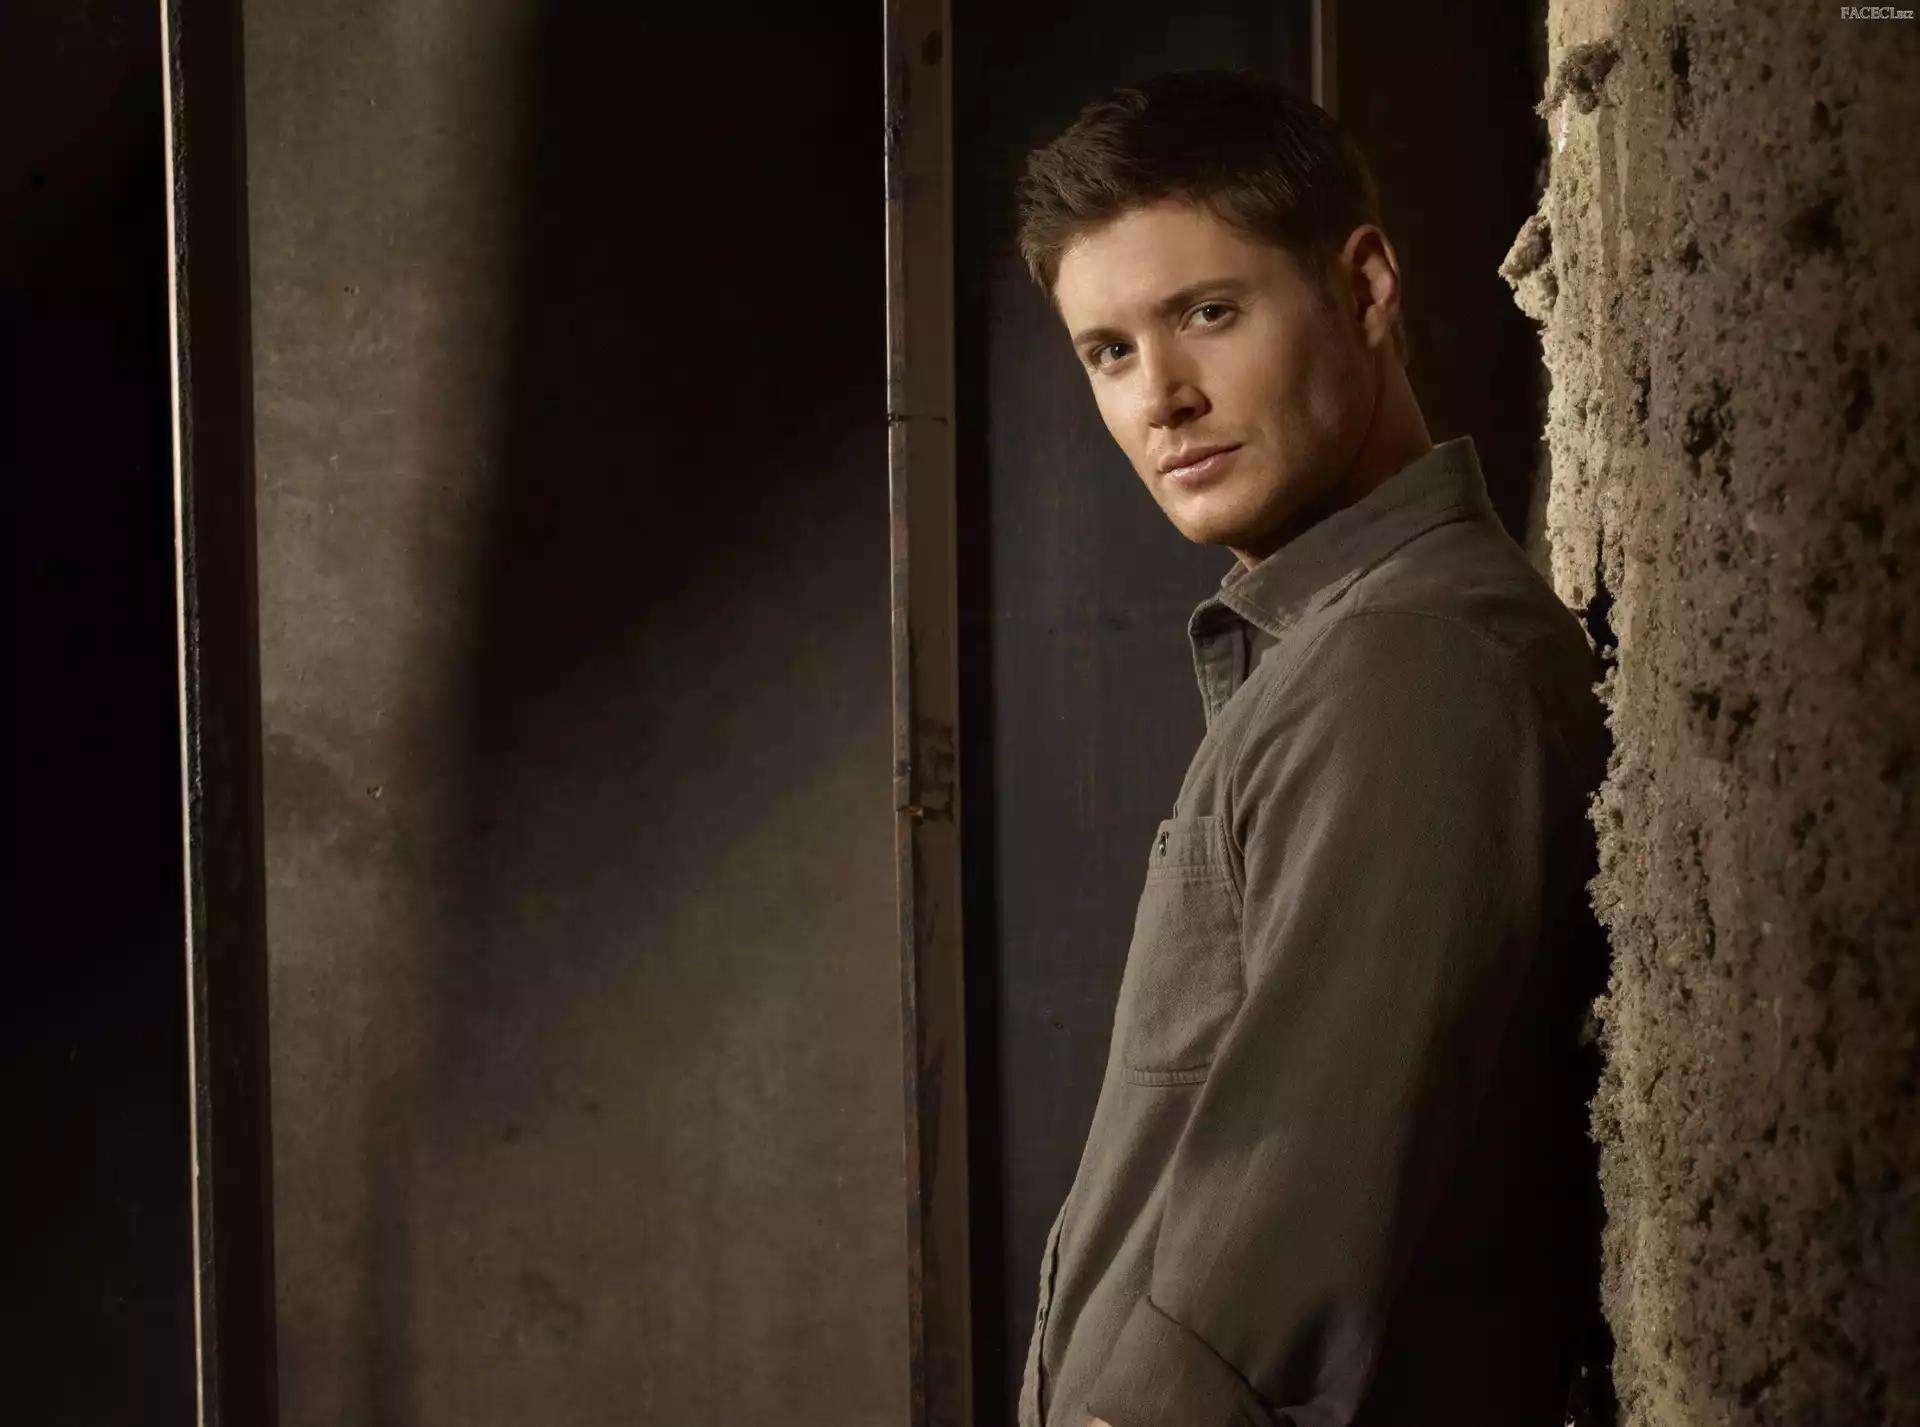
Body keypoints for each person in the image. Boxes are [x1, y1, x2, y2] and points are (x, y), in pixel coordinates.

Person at [1010, 70, 1616, 1427]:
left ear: (1365, 289)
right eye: (1108, 352)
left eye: (1207, 313)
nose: (1161, 398)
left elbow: (1268, 1276)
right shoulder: (1331, 649)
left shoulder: (1414, 660)